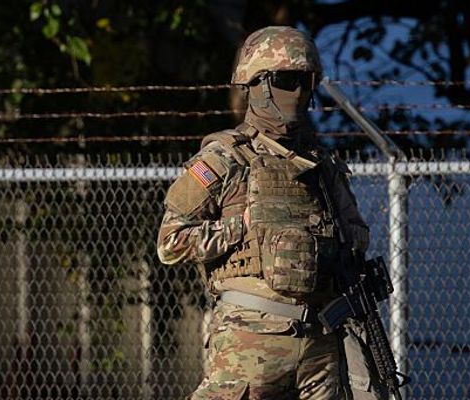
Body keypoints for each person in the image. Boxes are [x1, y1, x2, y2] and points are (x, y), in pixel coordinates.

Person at [156, 27, 388, 399]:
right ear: (258, 84)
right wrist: (241, 228)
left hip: (320, 343)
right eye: (285, 80)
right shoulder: (224, 159)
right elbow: (170, 244)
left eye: (305, 81)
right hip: (250, 342)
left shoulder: (321, 166)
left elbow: (356, 234)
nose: (297, 91)